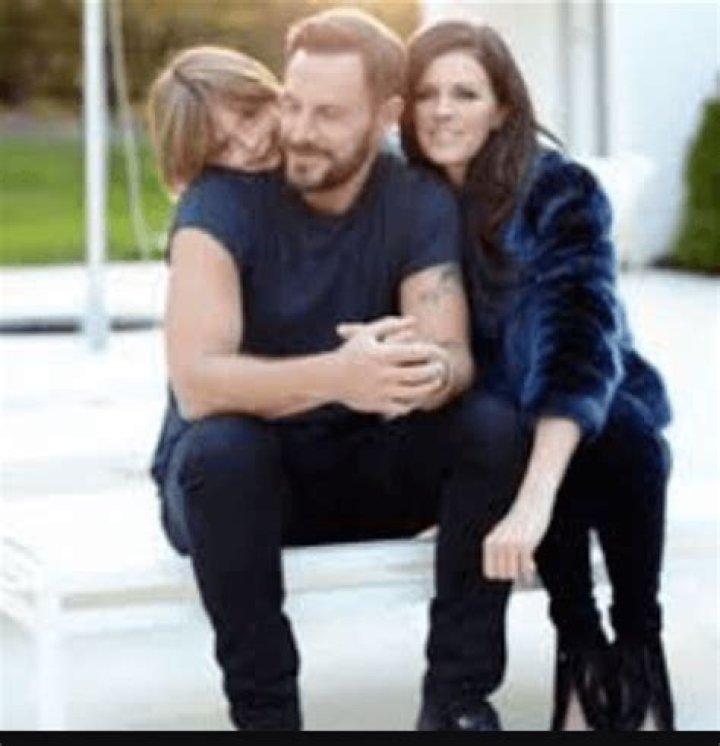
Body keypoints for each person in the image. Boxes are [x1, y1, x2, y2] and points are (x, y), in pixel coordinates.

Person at [148, 10, 522, 731]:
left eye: (328, 114)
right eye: (292, 104)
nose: (296, 130)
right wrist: (338, 377)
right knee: (223, 453)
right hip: (241, 492)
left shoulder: (415, 197)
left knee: (491, 428)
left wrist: (422, 372)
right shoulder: (219, 200)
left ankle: (457, 703)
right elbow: (196, 385)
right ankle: (267, 717)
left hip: (366, 466)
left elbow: (454, 355)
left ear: (384, 116)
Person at [401, 19, 675, 732]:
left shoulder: (559, 189)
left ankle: (636, 649)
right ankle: (581, 649)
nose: (442, 110)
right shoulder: (406, 198)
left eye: (465, 93)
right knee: (509, 429)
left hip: (584, 396)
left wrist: (531, 504)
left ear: (502, 108)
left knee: (616, 432)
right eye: (426, 93)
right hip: (479, 423)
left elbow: (580, 340)